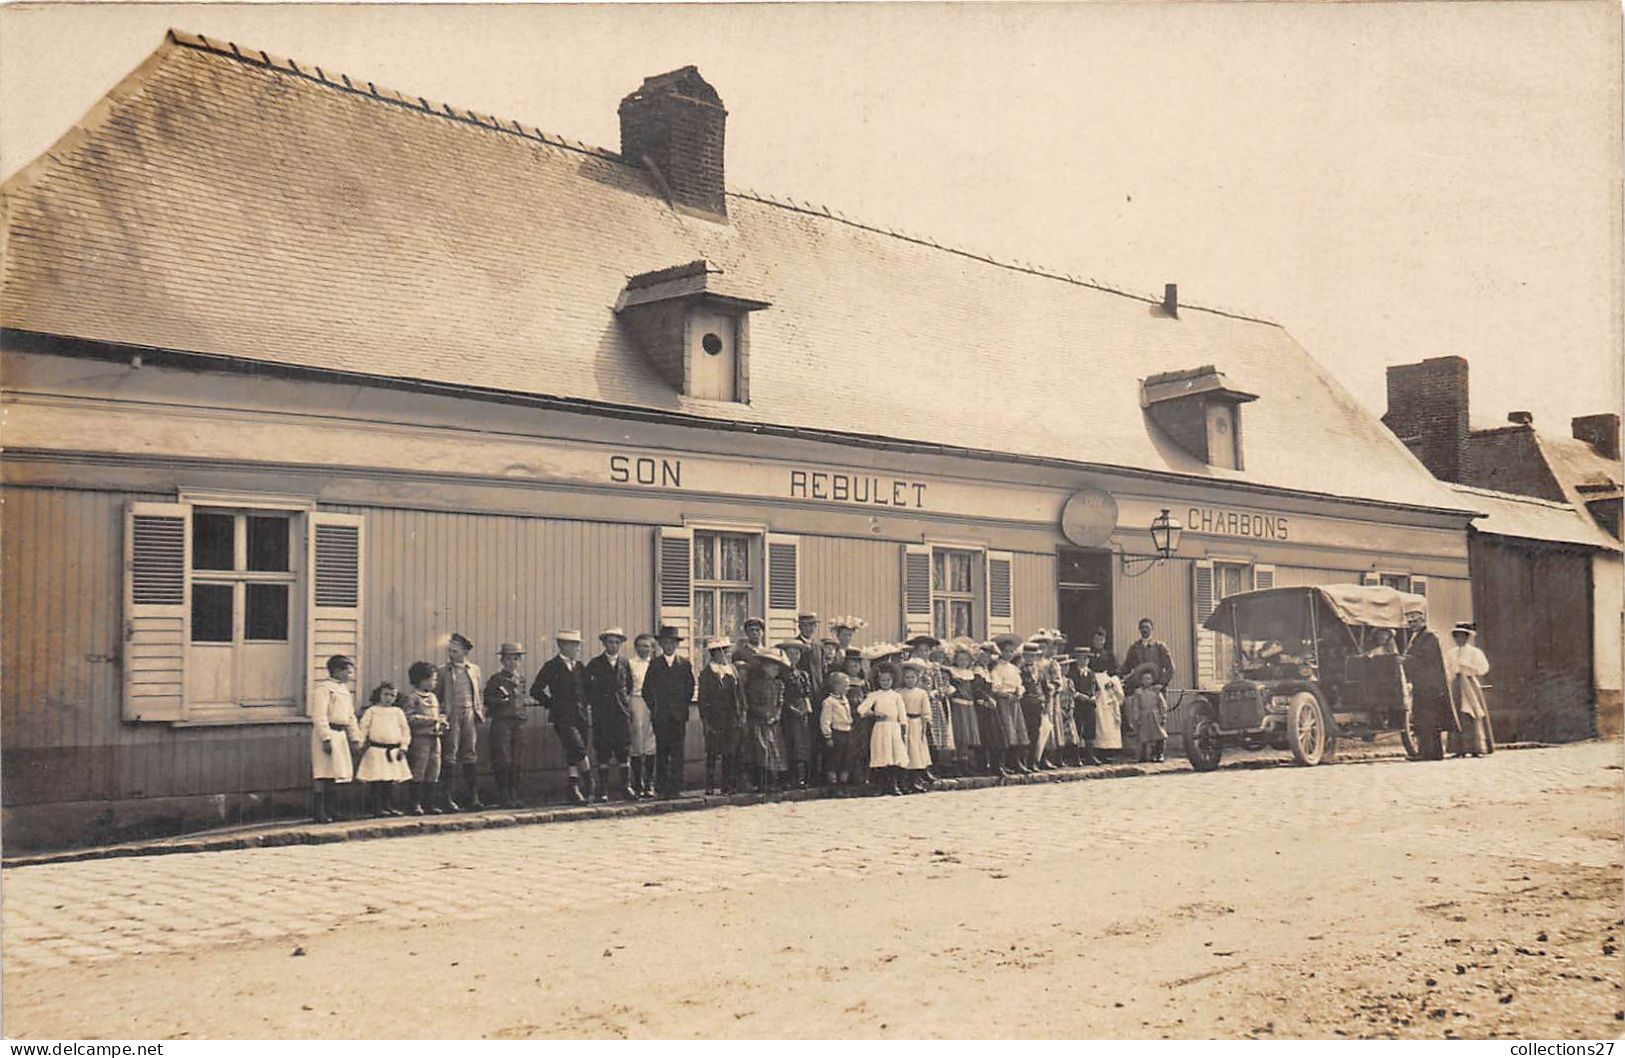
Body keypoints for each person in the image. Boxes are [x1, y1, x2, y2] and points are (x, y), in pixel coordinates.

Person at [531, 630, 593, 804]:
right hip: (562, 717)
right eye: (574, 644)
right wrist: (552, 704)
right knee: (578, 748)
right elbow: (535, 690)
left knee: (573, 753)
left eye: (578, 644)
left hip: (581, 716)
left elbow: (588, 689)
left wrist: (585, 704)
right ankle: (589, 782)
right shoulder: (551, 666)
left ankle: (573, 789)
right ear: (562, 645)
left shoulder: (580, 667)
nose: (577, 648)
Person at [583, 627, 635, 802]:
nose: (613, 646)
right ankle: (602, 790)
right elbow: (587, 689)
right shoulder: (595, 664)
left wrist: (624, 704)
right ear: (604, 643)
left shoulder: (625, 663)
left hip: (621, 714)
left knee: (623, 750)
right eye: (610, 642)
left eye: (617, 642)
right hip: (602, 715)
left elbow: (629, 685)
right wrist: (595, 706)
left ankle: (625, 787)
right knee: (603, 751)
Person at [644, 625, 695, 799]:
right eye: (665, 643)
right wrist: (655, 708)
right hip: (661, 716)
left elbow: (689, 688)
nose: (669, 646)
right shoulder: (655, 664)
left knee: (677, 752)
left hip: (678, 716)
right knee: (662, 752)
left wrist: (681, 707)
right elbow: (646, 690)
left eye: (672, 643)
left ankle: (676, 787)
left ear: (677, 645)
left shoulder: (684, 664)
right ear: (661, 644)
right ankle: (662, 787)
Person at [437, 633, 486, 811]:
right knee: (450, 753)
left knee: (470, 752)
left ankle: (473, 797)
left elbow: (478, 692)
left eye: (455, 651)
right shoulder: (443, 671)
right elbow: (437, 695)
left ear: (465, 652)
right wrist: (442, 715)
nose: (451, 654)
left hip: (469, 713)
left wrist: (477, 711)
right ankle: (447, 798)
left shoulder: (474, 670)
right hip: (452, 714)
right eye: (450, 650)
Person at [310, 654, 362, 823]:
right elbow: (319, 715)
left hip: (340, 734)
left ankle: (334, 810)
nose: (350, 675)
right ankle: (319, 812)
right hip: (326, 733)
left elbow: (350, 716)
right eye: (347, 671)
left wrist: (355, 738)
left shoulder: (344, 691)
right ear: (337, 671)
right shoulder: (323, 689)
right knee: (323, 772)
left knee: (338, 773)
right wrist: (325, 738)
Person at [482, 642, 533, 809]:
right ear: (502, 661)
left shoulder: (521, 679)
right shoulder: (496, 680)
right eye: (509, 659)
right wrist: (499, 701)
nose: (512, 663)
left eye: (516, 659)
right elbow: (487, 700)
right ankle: (503, 794)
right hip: (501, 722)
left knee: (517, 760)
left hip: (519, 723)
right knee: (503, 759)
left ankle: (514, 794)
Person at [1402, 616, 1459, 762]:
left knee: (1426, 719)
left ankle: (1427, 753)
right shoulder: (1418, 637)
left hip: (1430, 685)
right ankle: (1432, 753)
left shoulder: (1429, 637)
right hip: (1423, 684)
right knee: (1426, 720)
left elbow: (1425, 658)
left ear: (1423, 621)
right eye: (1410, 622)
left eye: (1414, 621)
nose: (1411, 625)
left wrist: (1406, 660)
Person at [356, 681, 412, 816]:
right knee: (377, 781)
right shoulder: (372, 711)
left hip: (393, 752)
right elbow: (363, 728)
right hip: (376, 751)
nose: (389, 698)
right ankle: (377, 808)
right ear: (379, 695)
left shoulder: (397, 712)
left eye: (393, 695)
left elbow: (405, 731)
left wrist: (403, 747)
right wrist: (359, 743)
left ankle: (389, 806)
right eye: (386, 694)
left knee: (391, 781)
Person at [698, 636, 745, 794]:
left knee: (729, 752)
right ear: (714, 654)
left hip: (731, 717)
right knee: (712, 752)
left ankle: (727, 785)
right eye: (724, 652)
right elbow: (703, 699)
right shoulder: (707, 673)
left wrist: (741, 712)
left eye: (728, 651)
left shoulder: (732, 670)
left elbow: (740, 694)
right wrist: (706, 720)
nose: (727, 655)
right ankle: (710, 786)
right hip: (715, 718)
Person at [404, 660, 449, 814]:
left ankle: (429, 803)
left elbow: (437, 715)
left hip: (435, 738)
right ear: (422, 680)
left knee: (433, 769)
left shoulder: (433, 698)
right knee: (419, 769)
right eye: (433, 679)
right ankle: (415, 803)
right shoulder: (413, 698)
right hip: (420, 739)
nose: (435, 682)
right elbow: (409, 718)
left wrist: (442, 722)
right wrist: (430, 721)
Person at [858, 661, 909, 796]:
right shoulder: (875, 695)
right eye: (882, 680)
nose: (885, 683)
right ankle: (880, 786)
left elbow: (902, 713)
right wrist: (875, 713)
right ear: (878, 681)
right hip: (880, 728)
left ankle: (894, 785)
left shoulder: (896, 696)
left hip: (894, 728)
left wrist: (904, 727)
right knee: (881, 755)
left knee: (895, 755)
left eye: (888, 680)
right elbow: (861, 709)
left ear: (893, 681)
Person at [743, 650, 791, 793]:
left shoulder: (779, 684)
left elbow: (780, 702)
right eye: (771, 667)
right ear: (764, 668)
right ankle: (762, 782)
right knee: (762, 751)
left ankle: (776, 781)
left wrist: (776, 715)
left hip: (774, 723)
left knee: (776, 752)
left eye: (776, 668)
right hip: (760, 723)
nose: (774, 670)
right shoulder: (755, 684)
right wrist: (764, 715)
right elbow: (752, 703)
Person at [1447, 623, 1494, 757]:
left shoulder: (1475, 652)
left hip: (1470, 683)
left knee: (1472, 712)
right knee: (1457, 714)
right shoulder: (1451, 653)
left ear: (1467, 637)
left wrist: (1467, 666)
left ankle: (1476, 748)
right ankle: (1458, 749)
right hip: (1456, 684)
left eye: (1462, 636)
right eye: (1457, 637)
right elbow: (1447, 668)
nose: (1459, 639)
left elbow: (1483, 668)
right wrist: (1452, 675)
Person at [776, 639, 816, 789]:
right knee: (788, 745)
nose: (794, 656)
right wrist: (791, 708)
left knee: (802, 746)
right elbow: (780, 695)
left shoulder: (803, 675)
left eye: (796, 653)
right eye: (790, 653)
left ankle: (801, 778)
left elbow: (807, 694)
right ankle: (787, 779)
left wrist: (806, 710)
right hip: (787, 712)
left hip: (802, 713)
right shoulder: (781, 674)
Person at [989, 632, 1031, 773]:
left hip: (1015, 701)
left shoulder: (1014, 668)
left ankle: (1016, 762)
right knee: (1006, 731)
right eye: (1006, 651)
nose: (1009, 654)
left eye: (1011, 651)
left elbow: (1020, 684)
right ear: (1000, 652)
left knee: (1018, 730)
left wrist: (1019, 692)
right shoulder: (997, 668)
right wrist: (1006, 695)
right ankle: (1000, 763)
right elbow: (995, 686)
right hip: (1003, 701)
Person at [626, 633, 659, 800]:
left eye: (648, 646)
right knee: (637, 742)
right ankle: (636, 784)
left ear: (653, 648)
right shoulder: (630, 664)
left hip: (653, 703)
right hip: (637, 701)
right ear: (636, 647)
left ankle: (649, 784)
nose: (645, 649)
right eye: (642, 646)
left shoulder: (656, 664)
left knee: (651, 742)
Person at [944, 640, 982, 775]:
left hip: (968, 706)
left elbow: (974, 690)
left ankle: (964, 763)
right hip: (957, 705)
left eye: (966, 659)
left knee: (967, 736)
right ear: (955, 659)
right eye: (960, 659)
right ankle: (955, 764)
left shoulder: (970, 673)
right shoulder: (952, 672)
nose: (963, 661)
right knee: (958, 734)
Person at [898, 658, 935, 792]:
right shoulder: (899, 692)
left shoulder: (921, 693)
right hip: (904, 723)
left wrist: (926, 722)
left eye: (912, 677)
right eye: (907, 677)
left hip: (917, 724)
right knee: (905, 751)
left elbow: (926, 711)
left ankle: (915, 780)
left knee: (916, 752)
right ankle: (904, 782)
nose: (909, 680)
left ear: (917, 678)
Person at [974, 642, 1008, 775]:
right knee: (984, 737)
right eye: (983, 655)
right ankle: (982, 766)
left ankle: (996, 765)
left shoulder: (987, 670)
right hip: (981, 706)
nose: (986, 658)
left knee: (996, 736)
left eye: (988, 656)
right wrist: (987, 699)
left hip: (991, 706)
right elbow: (976, 689)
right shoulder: (976, 671)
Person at [1020, 641, 1053, 771]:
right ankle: (1022, 761)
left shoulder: (1040, 670)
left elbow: (1046, 688)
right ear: (1024, 656)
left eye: (1033, 656)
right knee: (1025, 733)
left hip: (1038, 705)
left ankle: (1033, 761)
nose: (1031, 659)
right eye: (1028, 656)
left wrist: (1046, 703)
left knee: (1036, 733)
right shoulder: (1020, 671)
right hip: (1025, 705)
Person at [820, 671, 855, 787]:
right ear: (836, 685)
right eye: (845, 685)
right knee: (834, 759)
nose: (847, 688)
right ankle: (833, 785)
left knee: (847, 758)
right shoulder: (829, 702)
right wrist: (828, 736)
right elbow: (825, 720)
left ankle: (843, 783)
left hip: (847, 731)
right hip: (837, 732)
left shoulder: (845, 700)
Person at [1121, 618, 1176, 690]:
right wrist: (1115, 677)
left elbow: (1170, 668)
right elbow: (1126, 667)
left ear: (1152, 629)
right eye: (1142, 627)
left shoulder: (1160, 647)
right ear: (1139, 629)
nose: (1145, 630)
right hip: (1139, 688)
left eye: (1147, 627)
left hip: (1156, 688)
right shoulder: (1134, 648)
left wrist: (1161, 684)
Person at [1128, 665, 1168, 762]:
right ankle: (1143, 756)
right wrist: (1136, 718)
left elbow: (1162, 704)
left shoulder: (1156, 692)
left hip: (1155, 715)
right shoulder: (1139, 693)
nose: (1147, 681)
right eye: (1144, 679)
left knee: (1159, 735)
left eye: (1149, 678)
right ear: (1141, 681)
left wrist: (1163, 716)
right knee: (1144, 736)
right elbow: (1136, 706)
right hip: (1144, 716)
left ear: (1152, 680)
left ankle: (1159, 754)